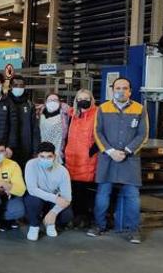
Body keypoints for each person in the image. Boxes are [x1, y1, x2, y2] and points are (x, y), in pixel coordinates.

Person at [88, 77, 148, 244]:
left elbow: (143, 134)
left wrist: (127, 151)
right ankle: (99, 225)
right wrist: (111, 151)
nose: (121, 91)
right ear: (112, 90)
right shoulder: (103, 108)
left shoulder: (139, 109)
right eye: (118, 88)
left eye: (125, 88)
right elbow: (97, 132)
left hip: (130, 159)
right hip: (107, 157)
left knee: (132, 196)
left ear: (130, 91)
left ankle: (133, 230)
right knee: (103, 194)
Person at [24, 142, 73, 241]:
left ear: (54, 156)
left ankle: (50, 223)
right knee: (32, 201)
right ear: (37, 156)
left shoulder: (63, 171)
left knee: (67, 215)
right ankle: (34, 226)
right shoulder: (31, 164)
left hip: (53, 201)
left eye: (49, 156)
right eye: (42, 156)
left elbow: (67, 198)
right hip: (39, 197)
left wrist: (53, 213)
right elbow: (32, 189)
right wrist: (55, 198)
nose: (45, 159)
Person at [64, 89, 99, 228]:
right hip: (72, 157)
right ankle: (74, 216)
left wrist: (92, 151)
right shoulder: (72, 114)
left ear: (91, 99)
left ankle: (84, 217)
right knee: (73, 189)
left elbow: (101, 134)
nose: (83, 101)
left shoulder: (97, 114)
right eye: (80, 98)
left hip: (87, 159)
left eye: (86, 98)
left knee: (85, 190)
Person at [7, 75, 40, 168]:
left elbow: (35, 129)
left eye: (21, 85)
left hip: (26, 150)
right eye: (15, 85)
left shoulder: (29, 105)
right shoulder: (4, 102)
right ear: (10, 87)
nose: (18, 88)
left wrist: (35, 150)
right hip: (8, 149)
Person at [37, 93, 70, 161]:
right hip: (43, 152)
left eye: (55, 100)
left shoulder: (65, 114)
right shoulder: (39, 113)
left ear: (59, 102)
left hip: (59, 151)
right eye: (50, 100)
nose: (52, 102)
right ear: (45, 102)